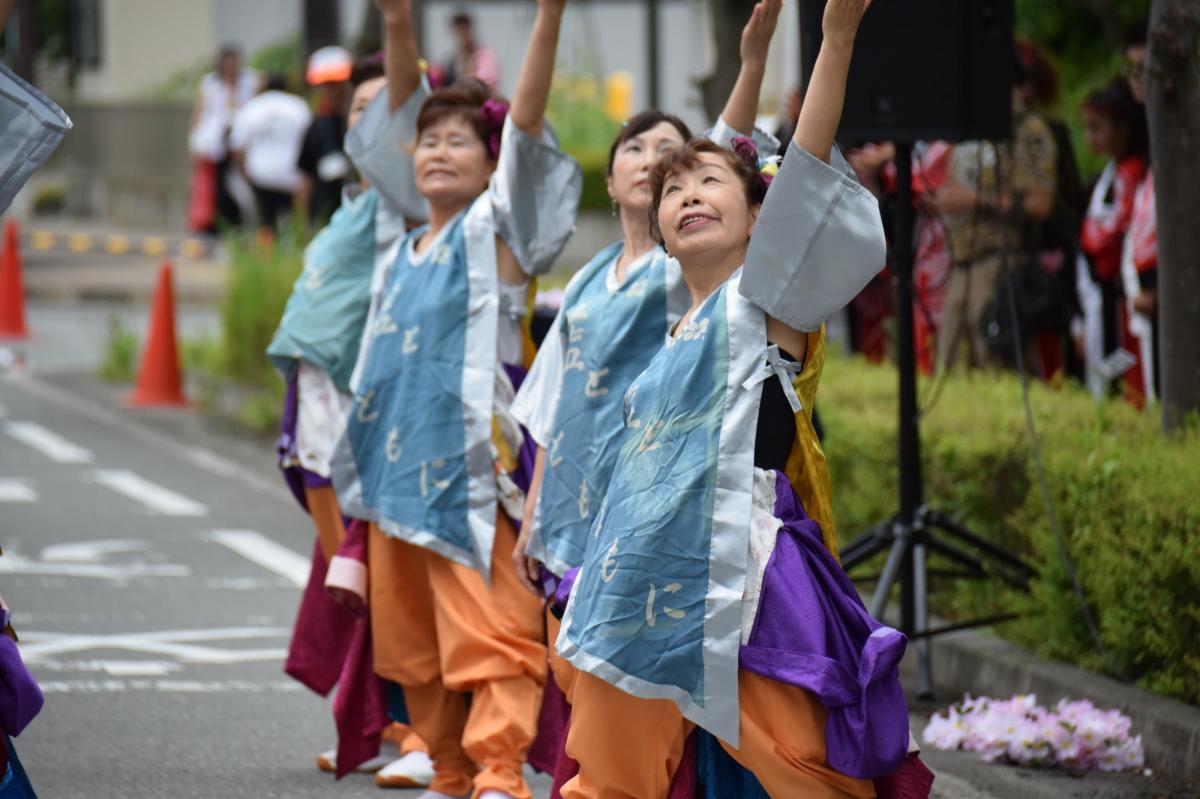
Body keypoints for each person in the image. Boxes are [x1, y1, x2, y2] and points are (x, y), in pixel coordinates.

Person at [553, 1, 922, 795]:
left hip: (743, 573)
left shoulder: (765, 301)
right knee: (614, 769)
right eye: (673, 188)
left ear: (760, 216)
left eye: (709, 181)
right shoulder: (668, 342)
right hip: (637, 577)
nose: (689, 194)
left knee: (791, 765)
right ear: (658, 225)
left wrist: (834, 41)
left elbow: (808, 165)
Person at [508, 1, 794, 793]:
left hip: (670, 515)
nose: (653, 162)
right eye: (634, 148)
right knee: (589, 687)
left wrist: (753, 64)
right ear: (612, 180)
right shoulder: (585, 282)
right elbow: (555, 402)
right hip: (592, 512)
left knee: (663, 696)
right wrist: (534, 509)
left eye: (672, 152)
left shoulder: (684, 275)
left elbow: (729, 157)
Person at [330, 0, 581, 796]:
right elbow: (402, 103)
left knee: (491, 630)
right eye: (429, 140)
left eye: (459, 140)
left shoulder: (495, 238)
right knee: (411, 645)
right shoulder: (402, 244)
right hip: (393, 480)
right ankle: (448, 764)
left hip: (471, 476)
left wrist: (547, 20)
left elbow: (527, 125)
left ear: (492, 162)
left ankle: (499, 768)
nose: (438, 150)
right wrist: (397, 25)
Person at [265, 62, 436, 790]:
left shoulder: (407, 207)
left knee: (385, 582)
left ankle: (423, 730)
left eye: (384, 106)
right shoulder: (354, 203)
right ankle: (381, 724)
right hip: (318, 417)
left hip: (369, 419)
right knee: (356, 581)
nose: (368, 119)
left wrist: (396, 31)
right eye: (359, 107)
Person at [929, 48, 1057, 371]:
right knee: (951, 366)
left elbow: (1040, 203)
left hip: (1001, 260)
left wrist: (975, 200)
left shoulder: (1027, 130)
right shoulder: (970, 129)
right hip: (961, 263)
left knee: (996, 363)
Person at [1076, 77, 1150, 404]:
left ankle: (1121, 411)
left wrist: (1090, 235)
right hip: (1098, 291)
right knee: (1102, 363)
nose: (1090, 137)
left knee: (1120, 362)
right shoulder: (1114, 170)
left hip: (1116, 291)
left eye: (1098, 128)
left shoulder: (1131, 171)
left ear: (1123, 128)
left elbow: (1111, 229)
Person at [1121, 22, 1159, 406]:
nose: (1137, 79)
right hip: (1145, 293)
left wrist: (1162, 288)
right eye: (1131, 69)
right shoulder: (1147, 139)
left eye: (1145, 68)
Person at [188, 46, 260, 232]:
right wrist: (195, 141)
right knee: (218, 184)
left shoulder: (249, 81)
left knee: (242, 182)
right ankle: (221, 222)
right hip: (216, 142)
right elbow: (200, 113)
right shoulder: (211, 83)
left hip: (242, 138)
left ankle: (245, 221)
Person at [229, 74, 313, 234]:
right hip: (291, 174)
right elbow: (311, 140)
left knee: (265, 222)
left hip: (260, 173)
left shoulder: (252, 107)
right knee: (290, 223)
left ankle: (266, 245)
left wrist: (244, 173)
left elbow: (236, 145)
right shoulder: (298, 106)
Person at [295, 46, 359, 227]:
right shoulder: (316, 125)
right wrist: (303, 224)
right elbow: (305, 176)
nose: (333, 91)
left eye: (338, 84)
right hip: (325, 215)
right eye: (326, 86)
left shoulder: (360, 121)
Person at [439, 11, 501, 90]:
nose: (462, 35)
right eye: (458, 31)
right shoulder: (453, 59)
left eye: (464, 30)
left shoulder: (484, 55)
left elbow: (486, 82)